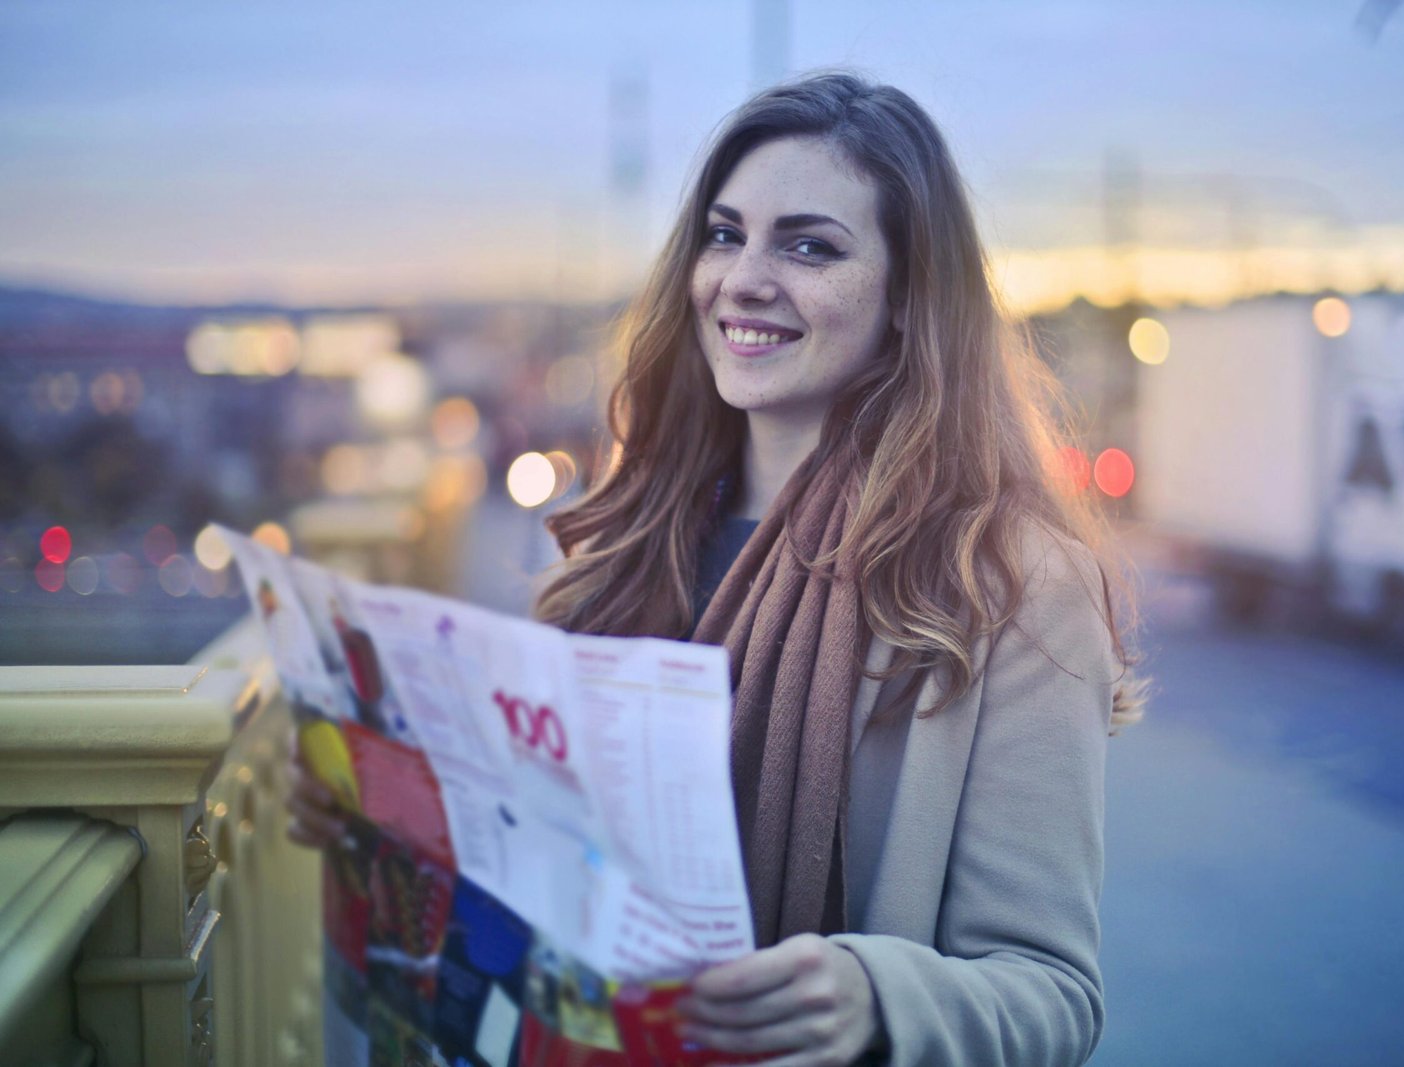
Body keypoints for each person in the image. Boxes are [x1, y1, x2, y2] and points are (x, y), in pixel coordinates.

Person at [289, 71, 1142, 1066]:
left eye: (808, 245)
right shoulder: (624, 547)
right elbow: (546, 880)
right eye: (725, 233)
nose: (741, 276)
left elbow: (1050, 992)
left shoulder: (1010, 584)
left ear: (909, 296)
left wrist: (873, 995)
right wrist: (389, 817)